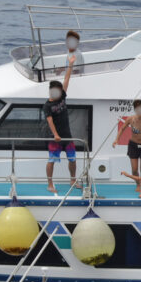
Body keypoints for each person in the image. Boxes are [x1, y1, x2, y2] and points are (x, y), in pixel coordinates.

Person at [45, 55, 78, 193]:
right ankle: (50, 183)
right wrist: (56, 135)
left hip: (67, 136)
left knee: (72, 159)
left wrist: (70, 64)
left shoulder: (62, 96)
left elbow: (66, 79)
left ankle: (73, 179)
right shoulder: (47, 105)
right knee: (52, 160)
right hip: (55, 138)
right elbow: (50, 121)